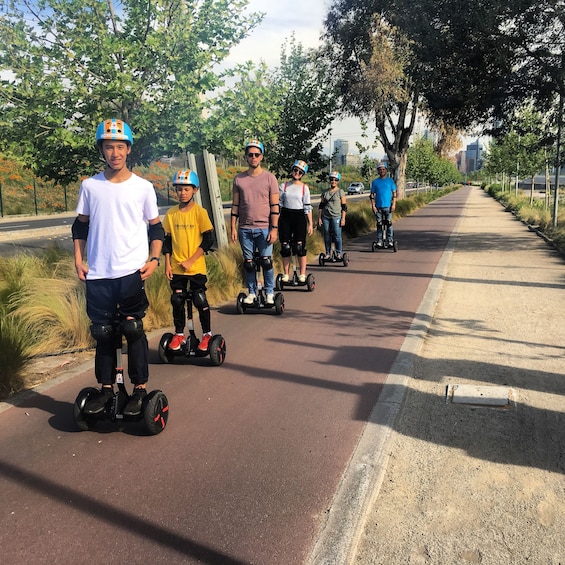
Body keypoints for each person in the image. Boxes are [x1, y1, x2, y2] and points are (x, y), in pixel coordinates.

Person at [72, 118, 164, 417]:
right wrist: (78, 259)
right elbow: (80, 225)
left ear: (128, 150)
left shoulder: (143, 187)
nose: (115, 153)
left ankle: (139, 389)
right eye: (109, 147)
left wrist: (154, 259)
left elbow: (156, 229)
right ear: (102, 150)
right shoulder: (90, 186)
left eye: (120, 147)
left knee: (132, 328)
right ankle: (107, 388)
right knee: (103, 332)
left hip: (130, 271)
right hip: (98, 273)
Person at [163, 169, 214, 352]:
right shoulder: (170, 214)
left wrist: (191, 260)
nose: (182, 193)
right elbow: (167, 241)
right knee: (177, 300)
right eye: (179, 189)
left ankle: (207, 335)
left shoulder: (200, 213)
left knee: (199, 300)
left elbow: (208, 240)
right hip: (177, 267)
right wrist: (168, 264)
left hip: (195, 267)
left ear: (195, 190)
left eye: (186, 189)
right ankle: (178, 334)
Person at [230, 139, 279, 304]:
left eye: (257, 155)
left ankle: (270, 292)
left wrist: (274, 229)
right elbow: (235, 205)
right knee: (249, 264)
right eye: (250, 155)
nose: (253, 157)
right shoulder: (239, 179)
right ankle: (252, 292)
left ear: (261, 157)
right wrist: (233, 227)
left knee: (266, 262)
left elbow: (274, 206)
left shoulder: (270, 178)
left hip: (264, 228)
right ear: (246, 157)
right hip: (245, 228)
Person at [278, 159, 313, 282]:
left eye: (300, 172)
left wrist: (310, 224)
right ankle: (286, 274)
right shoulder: (284, 186)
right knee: (285, 247)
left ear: (303, 174)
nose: (297, 173)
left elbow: (307, 207)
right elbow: (279, 205)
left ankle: (302, 274)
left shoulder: (304, 188)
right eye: (295, 170)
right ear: (292, 170)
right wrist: (275, 222)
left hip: (299, 216)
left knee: (299, 247)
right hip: (286, 216)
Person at [318, 171, 347, 260]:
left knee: (337, 235)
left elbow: (344, 207)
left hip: (336, 216)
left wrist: (343, 218)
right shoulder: (325, 192)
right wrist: (319, 218)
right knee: (326, 235)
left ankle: (338, 253)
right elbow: (321, 205)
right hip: (326, 216)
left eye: (335, 180)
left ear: (338, 181)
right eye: (331, 179)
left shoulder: (340, 192)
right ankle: (328, 253)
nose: (333, 181)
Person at [369, 161, 397, 247]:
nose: (382, 171)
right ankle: (379, 240)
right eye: (380, 169)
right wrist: (373, 205)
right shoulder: (375, 182)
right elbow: (372, 195)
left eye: (383, 169)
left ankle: (390, 240)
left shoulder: (390, 181)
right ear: (378, 171)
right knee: (379, 224)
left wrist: (394, 204)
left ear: (386, 170)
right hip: (378, 207)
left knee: (388, 223)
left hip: (388, 206)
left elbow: (394, 193)